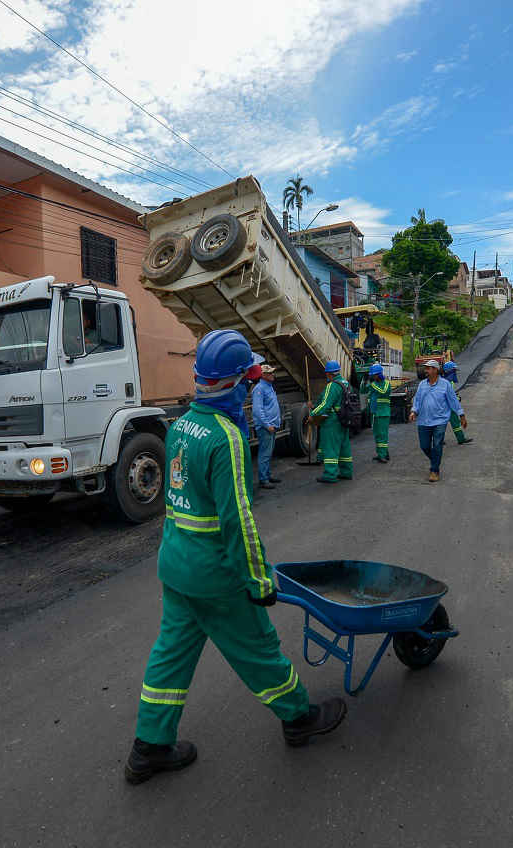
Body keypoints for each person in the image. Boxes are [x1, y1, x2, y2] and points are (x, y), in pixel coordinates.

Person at [126, 329, 346, 784]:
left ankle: (149, 747)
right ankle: (298, 718)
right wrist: (259, 581)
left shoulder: (182, 425)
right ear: (234, 383)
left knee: (171, 656)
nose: (251, 383)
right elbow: (238, 522)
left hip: (177, 566)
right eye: (248, 377)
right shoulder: (225, 437)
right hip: (215, 576)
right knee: (258, 649)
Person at [409, 360, 469, 483]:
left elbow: (453, 401)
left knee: (437, 445)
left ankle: (434, 470)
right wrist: (413, 411)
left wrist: (461, 415)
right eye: (426, 368)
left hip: (440, 421)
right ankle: (435, 461)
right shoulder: (422, 385)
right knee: (424, 446)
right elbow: (417, 400)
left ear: (435, 370)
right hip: (423, 421)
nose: (426, 370)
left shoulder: (445, 384)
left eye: (429, 368)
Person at [309, 360, 353, 484]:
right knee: (344, 447)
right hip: (344, 419)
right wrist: (314, 406)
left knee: (331, 448)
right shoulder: (346, 383)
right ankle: (346, 472)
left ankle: (330, 474)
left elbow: (325, 404)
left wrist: (313, 414)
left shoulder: (332, 385)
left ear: (329, 374)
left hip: (332, 421)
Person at [251, 362, 281, 489]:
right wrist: (267, 424)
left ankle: (267, 475)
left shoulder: (269, 386)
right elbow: (257, 410)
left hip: (272, 425)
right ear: (263, 375)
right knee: (265, 453)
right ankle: (263, 479)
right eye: (270, 373)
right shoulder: (259, 388)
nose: (273, 375)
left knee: (268, 452)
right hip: (266, 427)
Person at [439, 360, 472, 444]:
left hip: (447, 406)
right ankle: (440, 440)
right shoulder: (444, 382)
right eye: (453, 371)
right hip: (445, 406)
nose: (455, 373)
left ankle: (460, 439)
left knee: (453, 423)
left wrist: (456, 397)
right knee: (443, 423)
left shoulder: (447, 381)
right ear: (448, 371)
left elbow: (451, 395)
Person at [367, 363, 391, 463]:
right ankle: (382, 453)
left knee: (382, 434)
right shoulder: (373, 383)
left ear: (379, 374)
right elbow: (363, 390)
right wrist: (365, 380)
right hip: (375, 412)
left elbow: (383, 391)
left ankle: (383, 455)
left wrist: (372, 384)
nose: (374, 376)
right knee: (377, 434)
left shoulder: (386, 383)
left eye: (375, 374)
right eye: (372, 375)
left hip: (383, 413)